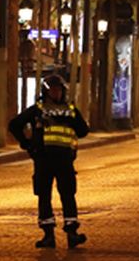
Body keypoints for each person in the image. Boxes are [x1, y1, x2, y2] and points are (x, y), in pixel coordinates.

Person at [8, 74, 90, 249]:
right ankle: (48, 235)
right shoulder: (38, 110)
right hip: (44, 159)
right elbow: (15, 124)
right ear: (46, 92)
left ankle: (72, 233)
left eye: (59, 90)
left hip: (64, 160)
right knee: (44, 196)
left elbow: (83, 130)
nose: (56, 93)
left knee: (68, 195)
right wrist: (27, 144)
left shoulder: (70, 109)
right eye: (53, 90)